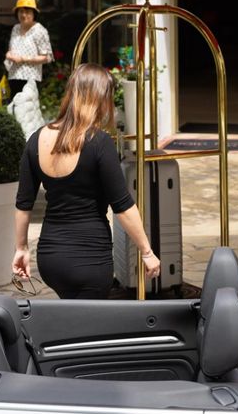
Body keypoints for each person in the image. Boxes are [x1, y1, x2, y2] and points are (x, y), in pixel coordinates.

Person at [13, 63, 160, 298]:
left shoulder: (36, 140)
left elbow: (23, 204)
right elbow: (122, 205)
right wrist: (147, 252)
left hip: (51, 259)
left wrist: (21, 248)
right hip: (91, 259)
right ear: (100, 98)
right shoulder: (99, 142)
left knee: (71, 314)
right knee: (89, 319)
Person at [4, 0, 52, 102]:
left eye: (28, 12)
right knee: (13, 106)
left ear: (34, 14)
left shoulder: (40, 31)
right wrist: (9, 54)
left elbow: (46, 57)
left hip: (30, 78)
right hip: (13, 75)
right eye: (21, 11)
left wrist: (23, 59)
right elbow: (11, 49)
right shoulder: (15, 28)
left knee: (28, 108)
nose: (24, 15)